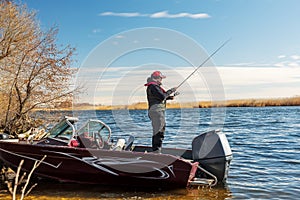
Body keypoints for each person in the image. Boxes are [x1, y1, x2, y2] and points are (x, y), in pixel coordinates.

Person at [144, 71, 177, 153]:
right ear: (157, 78)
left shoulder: (153, 86)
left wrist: (169, 98)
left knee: (158, 130)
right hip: (157, 112)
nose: (161, 80)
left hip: (156, 112)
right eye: (161, 78)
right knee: (159, 131)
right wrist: (171, 90)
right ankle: (156, 151)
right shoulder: (153, 86)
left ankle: (156, 150)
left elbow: (159, 97)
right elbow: (162, 96)